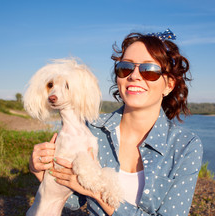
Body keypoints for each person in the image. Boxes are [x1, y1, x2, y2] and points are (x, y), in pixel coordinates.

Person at [29, 29, 203, 216]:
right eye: (125, 68)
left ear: (169, 85)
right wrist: (41, 171)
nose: (134, 76)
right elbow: (74, 200)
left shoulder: (184, 146)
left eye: (149, 71)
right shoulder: (93, 130)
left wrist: (98, 193)